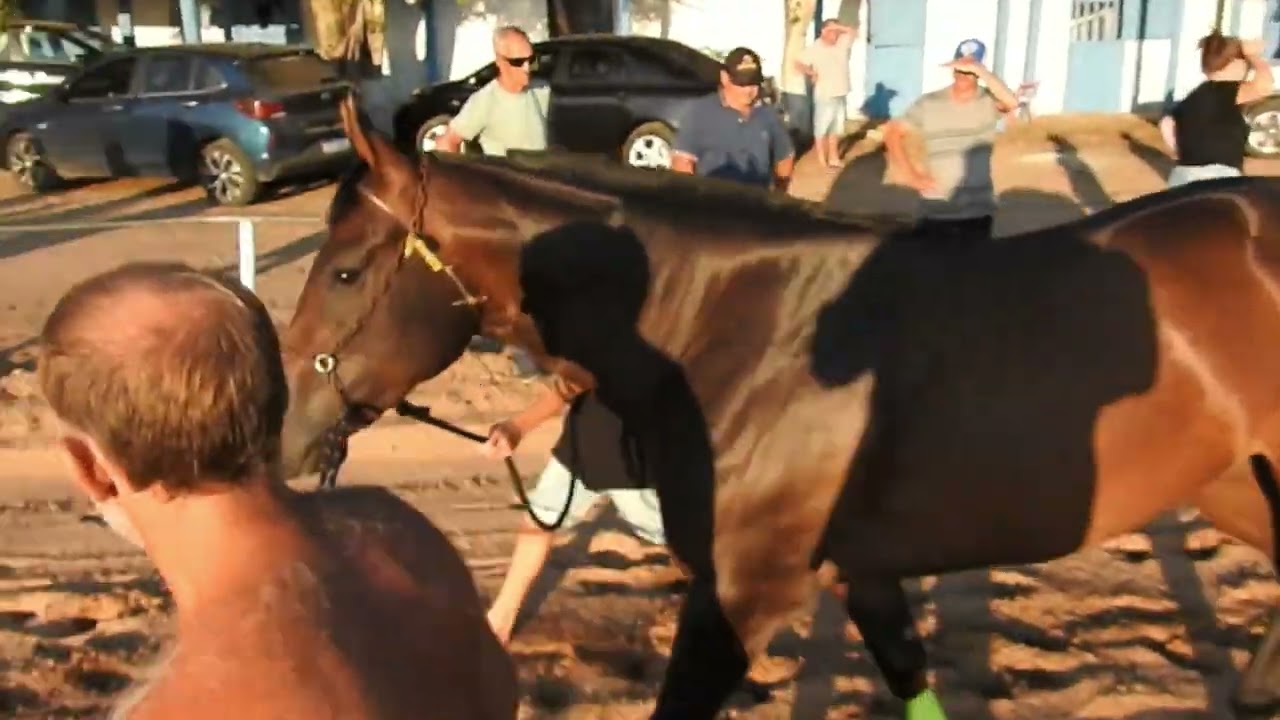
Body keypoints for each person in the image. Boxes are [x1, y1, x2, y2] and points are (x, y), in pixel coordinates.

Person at [38, 262, 516, 720]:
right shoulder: (397, 534)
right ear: (276, 400)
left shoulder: (191, 705)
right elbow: (497, 693)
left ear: (91, 469)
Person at [481, 386, 666, 645]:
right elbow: (566, 383)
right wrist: (516, 428)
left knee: (670, 531)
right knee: (538, 520)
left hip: (634, 456)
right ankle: (501, 617)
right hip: (582, 442)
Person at [437, 24, 547, 378]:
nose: (527, 68)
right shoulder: (484, 102)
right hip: (507, 207)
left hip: (541, 201)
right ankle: (521, 348)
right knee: (514, 281)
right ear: (500, 61)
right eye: (518, 62)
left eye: (531, 59)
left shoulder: (541, 93)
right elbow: (448, 143)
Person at [881, 38, 1020, 242]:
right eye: (960, 67)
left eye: (971, 70)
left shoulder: (989, 101)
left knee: (971, 271)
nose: (963, 74)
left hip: (978, 211)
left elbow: (1012, 102)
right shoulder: (929, 102)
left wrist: (982, 71)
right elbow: (892, 134)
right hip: (935, 208)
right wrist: (912, 176)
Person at [672, 46, 797, 191]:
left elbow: (785, 157)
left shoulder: (768, 114)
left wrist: (778, 196)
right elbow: (682, 161)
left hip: (756, 204)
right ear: (724, 77)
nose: (748, 90)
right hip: (713, 202)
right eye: (741, 83)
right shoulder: (699, 112)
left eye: (753, 83)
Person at [1160, 32, 1274, 188]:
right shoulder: (1229, 90)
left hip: (1181, 176)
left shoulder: (1192, 97)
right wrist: (1254, 57)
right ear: (1234, 62)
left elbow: (1166, 124)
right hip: (1218, 177)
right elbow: (1265, 86)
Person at [796, 18, 857, 169]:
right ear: (823, 31)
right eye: (831, 32)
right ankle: (822, 160)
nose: (834, 35)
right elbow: (798, 63)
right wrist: (811, 73)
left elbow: (853, 31)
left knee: (836, 129)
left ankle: (834, 158)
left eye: (836, 32)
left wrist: (838, 27)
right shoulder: (815, 48)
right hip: (825, 93)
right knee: (822, 129)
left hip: (840, 92)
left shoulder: (841, 43)